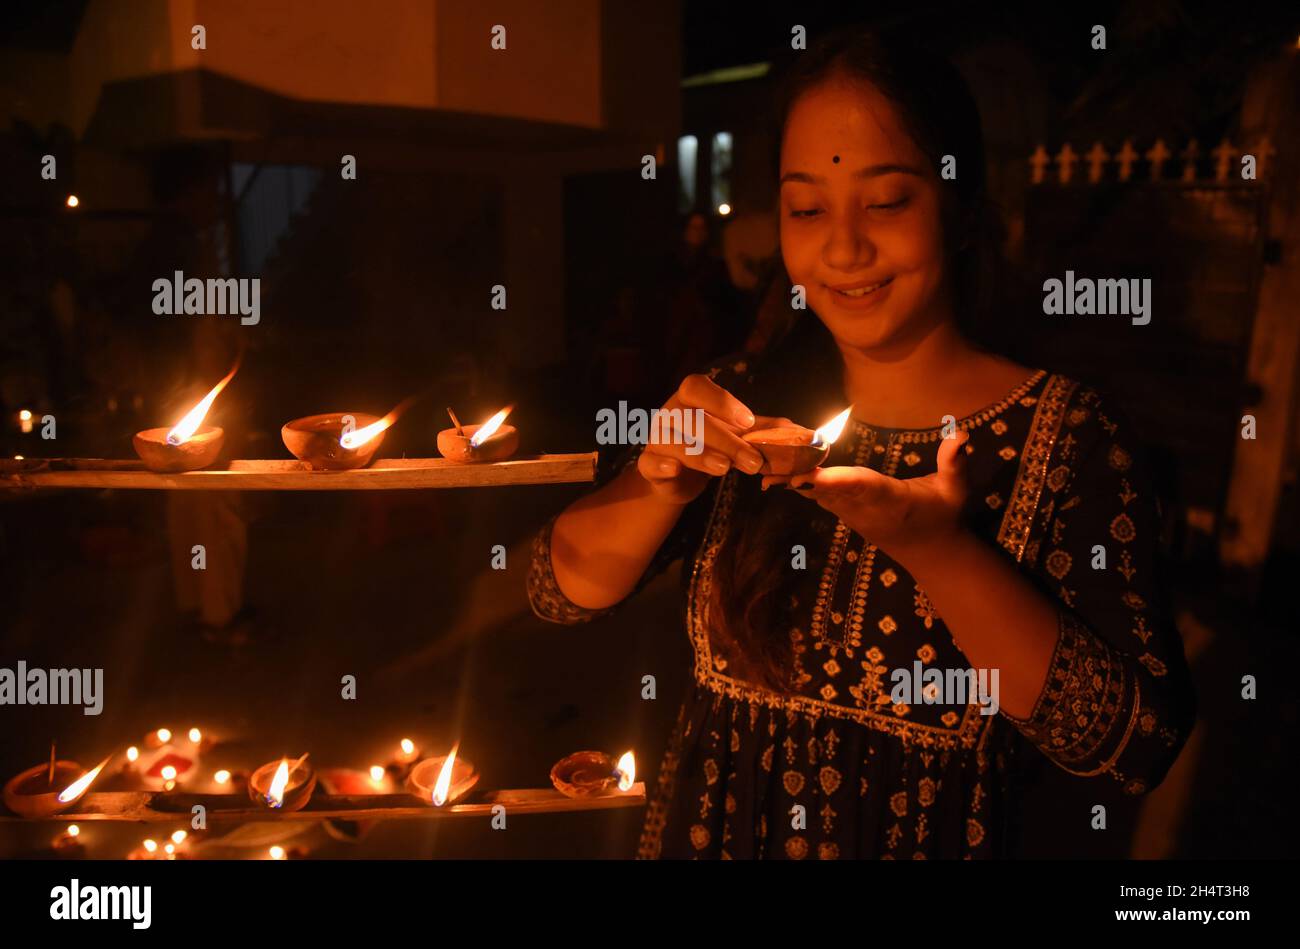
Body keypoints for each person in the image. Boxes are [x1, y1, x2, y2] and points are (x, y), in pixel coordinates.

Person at [527, 27, 1195, 859]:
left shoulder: (1065, 433)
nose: (842, 249)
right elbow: (555, 592)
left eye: (886, 202)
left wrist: (937, 549)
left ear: (959, 209)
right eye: (807, 208)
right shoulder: (741, 399)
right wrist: (658, 485)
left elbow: (1131, 747)